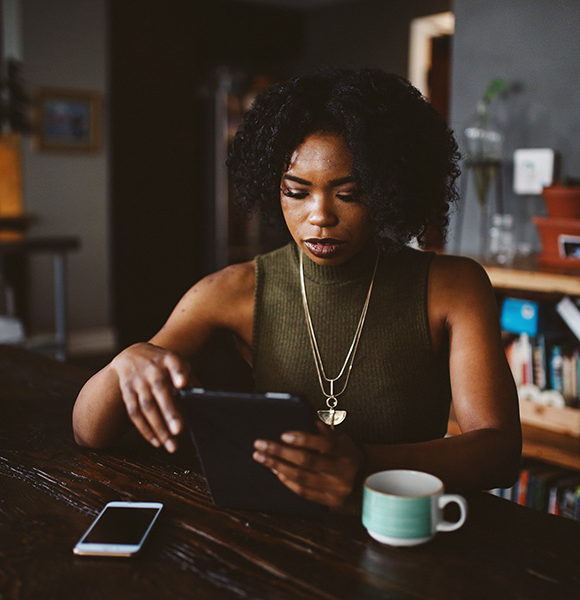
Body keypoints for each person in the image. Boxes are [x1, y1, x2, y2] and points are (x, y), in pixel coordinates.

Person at [73, 68, 521, 508]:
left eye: (348, 193)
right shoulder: (231, 290)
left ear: (390, 189)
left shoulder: (453, 286)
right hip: (281, 535)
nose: (320, 215)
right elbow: (88, 433)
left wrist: (363, 464)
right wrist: (127, 361)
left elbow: (499, 452)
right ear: (273, 187)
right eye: (296, 191)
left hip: (405, 530)